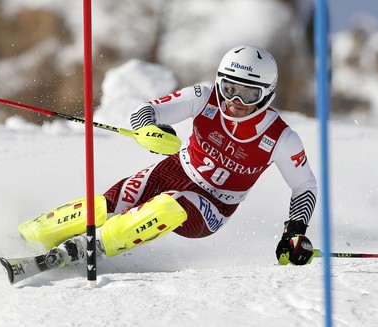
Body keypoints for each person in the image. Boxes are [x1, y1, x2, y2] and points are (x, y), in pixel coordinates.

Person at [18, 45, 318, 267]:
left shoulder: (281, 137)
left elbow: (304, 185)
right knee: (107, 205)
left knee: (170, 205)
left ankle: (92, 246)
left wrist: (294, 232)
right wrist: (148, 128)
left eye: (248, 94)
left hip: (213, 206)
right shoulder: (204, 97)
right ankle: (31, 234)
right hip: (174, 169)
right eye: (229, 88)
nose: (235, 101)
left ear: (266, 94)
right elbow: (146, 110)